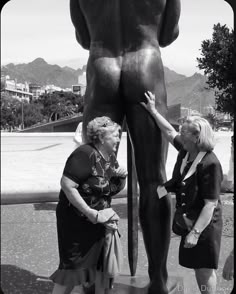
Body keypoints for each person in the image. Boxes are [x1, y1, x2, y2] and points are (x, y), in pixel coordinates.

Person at [70, 2, 181, 293]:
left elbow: (83, 38)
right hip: (145, 65)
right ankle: (158, 279)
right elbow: (168, 34)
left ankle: (94, 279)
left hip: (101, 66)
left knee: (93, 179)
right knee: (155, 181)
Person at [141, 91, 223, 294]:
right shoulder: (187, 152)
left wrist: (195, 233)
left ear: (197, 136)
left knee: (204, 270)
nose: (180, 133)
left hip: (204, 225)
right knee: (197, 266)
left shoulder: (209, 163)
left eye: (184, 131)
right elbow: (168, 132)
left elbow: (210, 204)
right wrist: (153, 111)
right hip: (190, 219)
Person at [50, 116, 127, 294]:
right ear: (101, 137)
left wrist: (121, 177)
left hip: (98, 221)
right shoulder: (85, 153)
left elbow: (108, 190)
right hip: (76, 222)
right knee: (72, 270)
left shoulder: (109, 157)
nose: (118, 139)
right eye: (115, 135)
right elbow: (67, 185)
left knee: (96, 268)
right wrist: (89, 212)